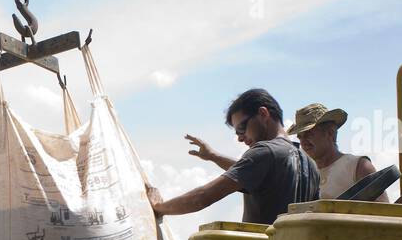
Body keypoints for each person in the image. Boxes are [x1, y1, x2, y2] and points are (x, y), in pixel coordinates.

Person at [147, 88, 319, 226]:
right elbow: (254, 172)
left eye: (242, 128)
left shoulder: (264, 151)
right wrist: (214, 156)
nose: (240, 137)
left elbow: (202, 197)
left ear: (263, 114)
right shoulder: (308, 161)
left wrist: (158, 207)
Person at [288, 103, 387, 201]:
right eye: (300, 137)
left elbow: (384, 212)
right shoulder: (303, 175)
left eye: (309, 134)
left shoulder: (358, 166)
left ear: (330, 133)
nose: (303, 142)